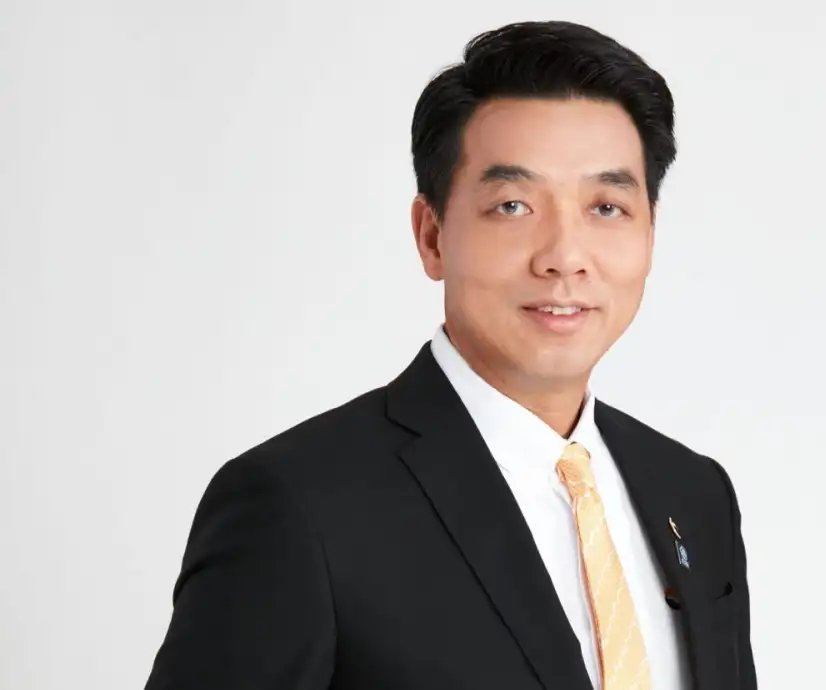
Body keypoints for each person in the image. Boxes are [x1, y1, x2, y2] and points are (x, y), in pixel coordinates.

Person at [144, 20, 756, 690]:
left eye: (607, 207)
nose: (564, 257)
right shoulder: (299, 507)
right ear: (432, 236)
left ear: (650, 234)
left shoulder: (693, 494)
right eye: (513, 205)